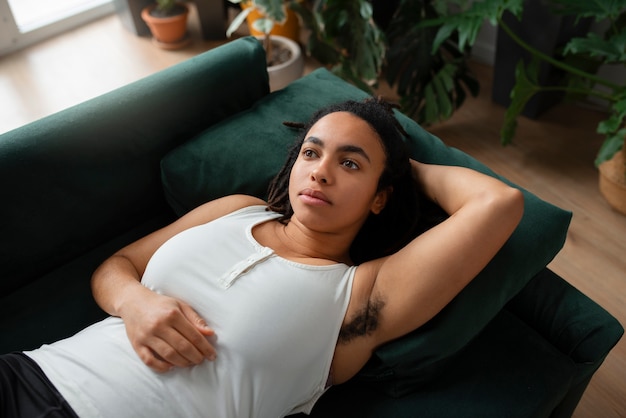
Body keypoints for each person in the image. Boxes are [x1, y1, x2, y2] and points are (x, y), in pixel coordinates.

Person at [0, 98, 524, 418]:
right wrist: (135, 303)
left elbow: (498, 204)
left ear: (381, 196)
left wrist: (399, 161)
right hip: (30, 375)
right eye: (311, 152)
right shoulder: (237, 210)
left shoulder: (359, 296)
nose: (320, 171)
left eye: (350, 163)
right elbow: (115, 267)